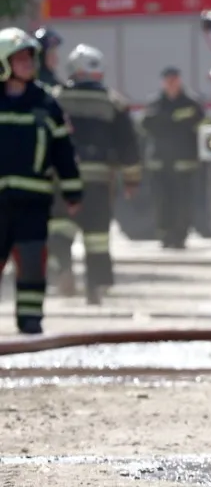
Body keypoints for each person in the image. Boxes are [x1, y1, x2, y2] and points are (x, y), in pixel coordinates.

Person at [0, 27, 83, 334]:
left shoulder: (46, 104)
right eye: (19, 58)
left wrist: (73, 191)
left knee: (33, 262)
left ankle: (31, 320)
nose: (27, 64)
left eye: (29, 58)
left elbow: (63, 150)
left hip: (33, 202)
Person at [53, 44, 141, 305]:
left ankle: (63, 267)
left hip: (62, 180)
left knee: (59, 228)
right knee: (97, 237)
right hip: (99, 183)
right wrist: (132, 180)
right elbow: (129, 145)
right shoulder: (113, 102)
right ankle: (96, 287)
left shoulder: (56, 99)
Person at [140, 66, 206, 249]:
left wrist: (166, 121)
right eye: (168, 80)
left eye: (174, 80)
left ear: (179, 80)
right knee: (162, 201)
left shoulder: (191, 102)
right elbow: (148, 124)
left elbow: (197, 121)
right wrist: (175, 120)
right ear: (163, 82)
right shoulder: (155, 103)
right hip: (160, 162)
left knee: (183, 201)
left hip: (184, 162)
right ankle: (165, 235)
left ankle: (180, 235)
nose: (171, 84)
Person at [34, 27, 79, 295]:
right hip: (38, 170)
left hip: (51, 168)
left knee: (56, 223)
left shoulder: (53, 85)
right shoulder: (39, 89)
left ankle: (59, 270)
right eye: (50, 53)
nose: (55, 58)